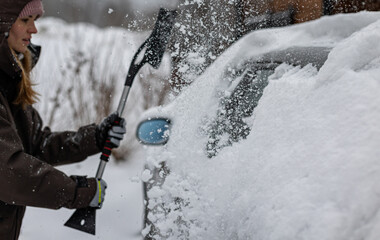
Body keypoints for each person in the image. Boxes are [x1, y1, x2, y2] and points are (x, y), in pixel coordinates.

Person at [0, 0, 127, 239]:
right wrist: (74, 191)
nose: (33, 30)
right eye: (25, 20)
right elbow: (9, 172)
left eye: (35, 21)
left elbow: (37, 146)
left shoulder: (9, 82)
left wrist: (94, 138)